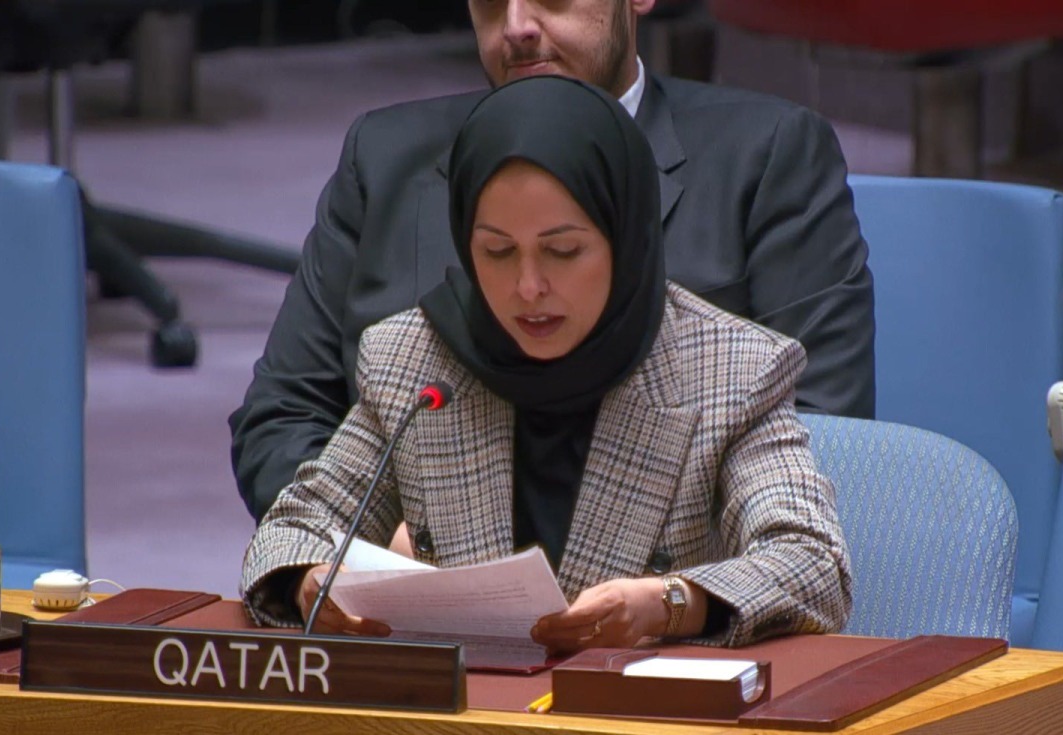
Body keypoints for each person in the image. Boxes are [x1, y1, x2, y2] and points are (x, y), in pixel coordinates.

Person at [240, 76, 851, 651]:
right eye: (497, 252)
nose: (528, 287)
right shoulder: (414, 358)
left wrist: (672, 602)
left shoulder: (731, 368)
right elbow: (296, 526)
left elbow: (812, 561)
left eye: (563, 251)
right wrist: (312, 576)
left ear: (626, 236)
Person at [229, 0, 875, 523]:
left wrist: (673, 586)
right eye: (489, 2)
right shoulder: (382, 156)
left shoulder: (768, 157)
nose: (516, 26)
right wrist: (374, 543)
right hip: (420, 627)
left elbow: (825, 435)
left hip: (667, 629)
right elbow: (282, 415)